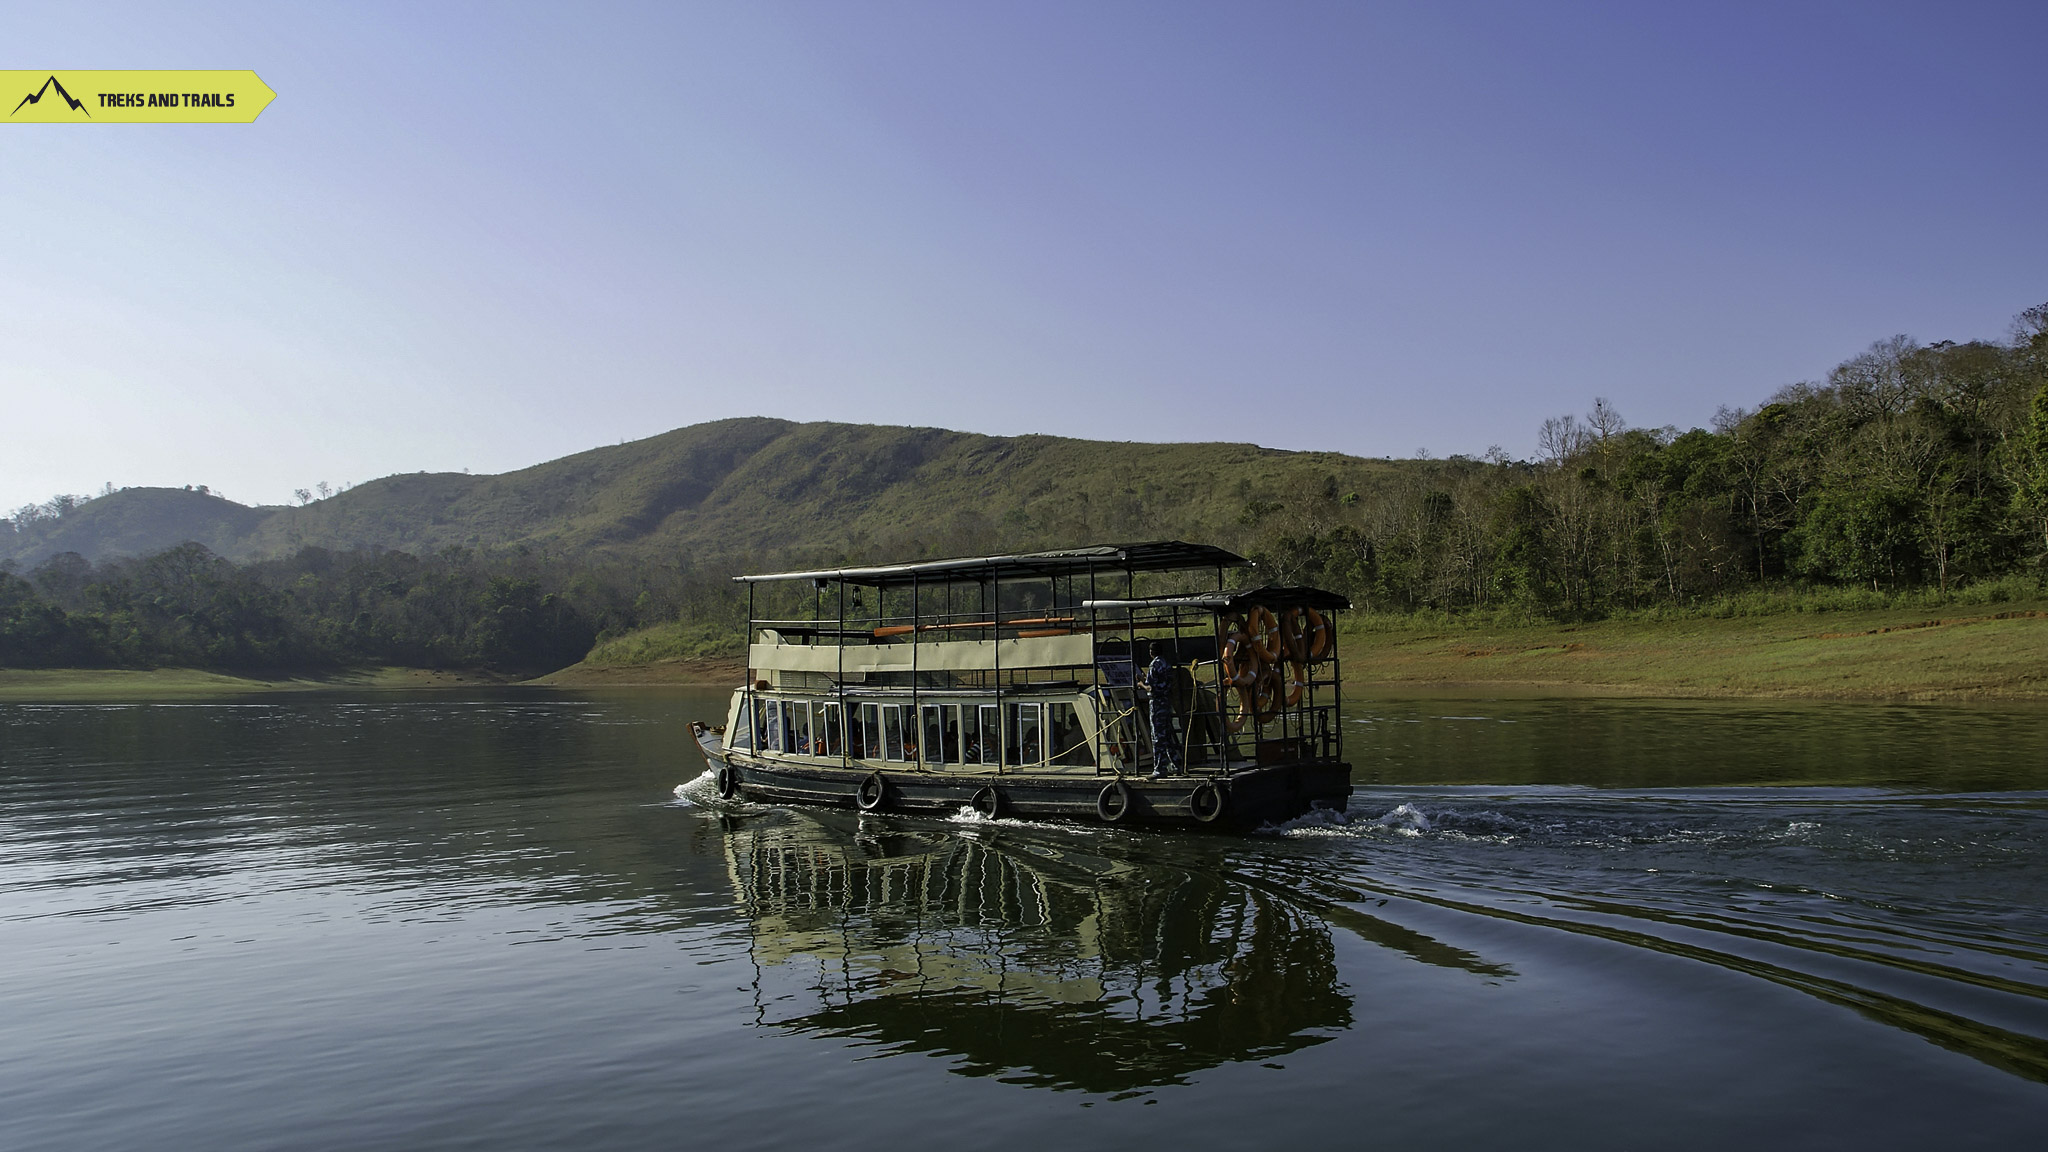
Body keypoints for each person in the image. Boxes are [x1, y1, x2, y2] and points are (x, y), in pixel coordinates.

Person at [1142, 643, 1181, 776]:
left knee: (1157, 735)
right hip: (1166, 701)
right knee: (1167, 734)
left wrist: (1140, 683)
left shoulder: (1154, 665)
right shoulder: (1166, 664)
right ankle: (1176, 764)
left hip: (1157, 702)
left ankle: (1159, 768)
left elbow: (1151, 687)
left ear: (1151, 652)